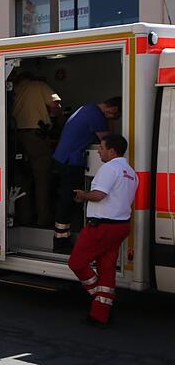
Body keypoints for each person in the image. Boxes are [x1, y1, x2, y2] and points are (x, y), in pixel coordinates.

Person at [68, 134, 136, 327]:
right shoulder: (131, 172)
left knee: (77, 262)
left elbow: (99, 195)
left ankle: (99, 297)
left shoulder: (109, 168)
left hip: (102, 226)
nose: (98, 151)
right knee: (107, 270)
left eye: (102, 148)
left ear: (112, 151)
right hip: (121, 226)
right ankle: (100, 314)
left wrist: (83, 195)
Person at [51, 96, 121, 251]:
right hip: (71, 161)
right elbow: (109, 142)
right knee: (69, 200)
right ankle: (61, 243)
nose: (113, 119)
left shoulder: (87, 108)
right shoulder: (96, 115)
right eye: (115, 116)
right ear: (113, 109)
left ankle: (63, 237)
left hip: (63, 158)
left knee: (66, 199)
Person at [11, 72, 61, 226]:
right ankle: (43, 220)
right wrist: (60, 120)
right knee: (42, 180)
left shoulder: (15, 88)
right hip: (36, 138)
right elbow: (56, 103)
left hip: (15, 139)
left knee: (22, 181)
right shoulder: (40, 85)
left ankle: (24, 218)